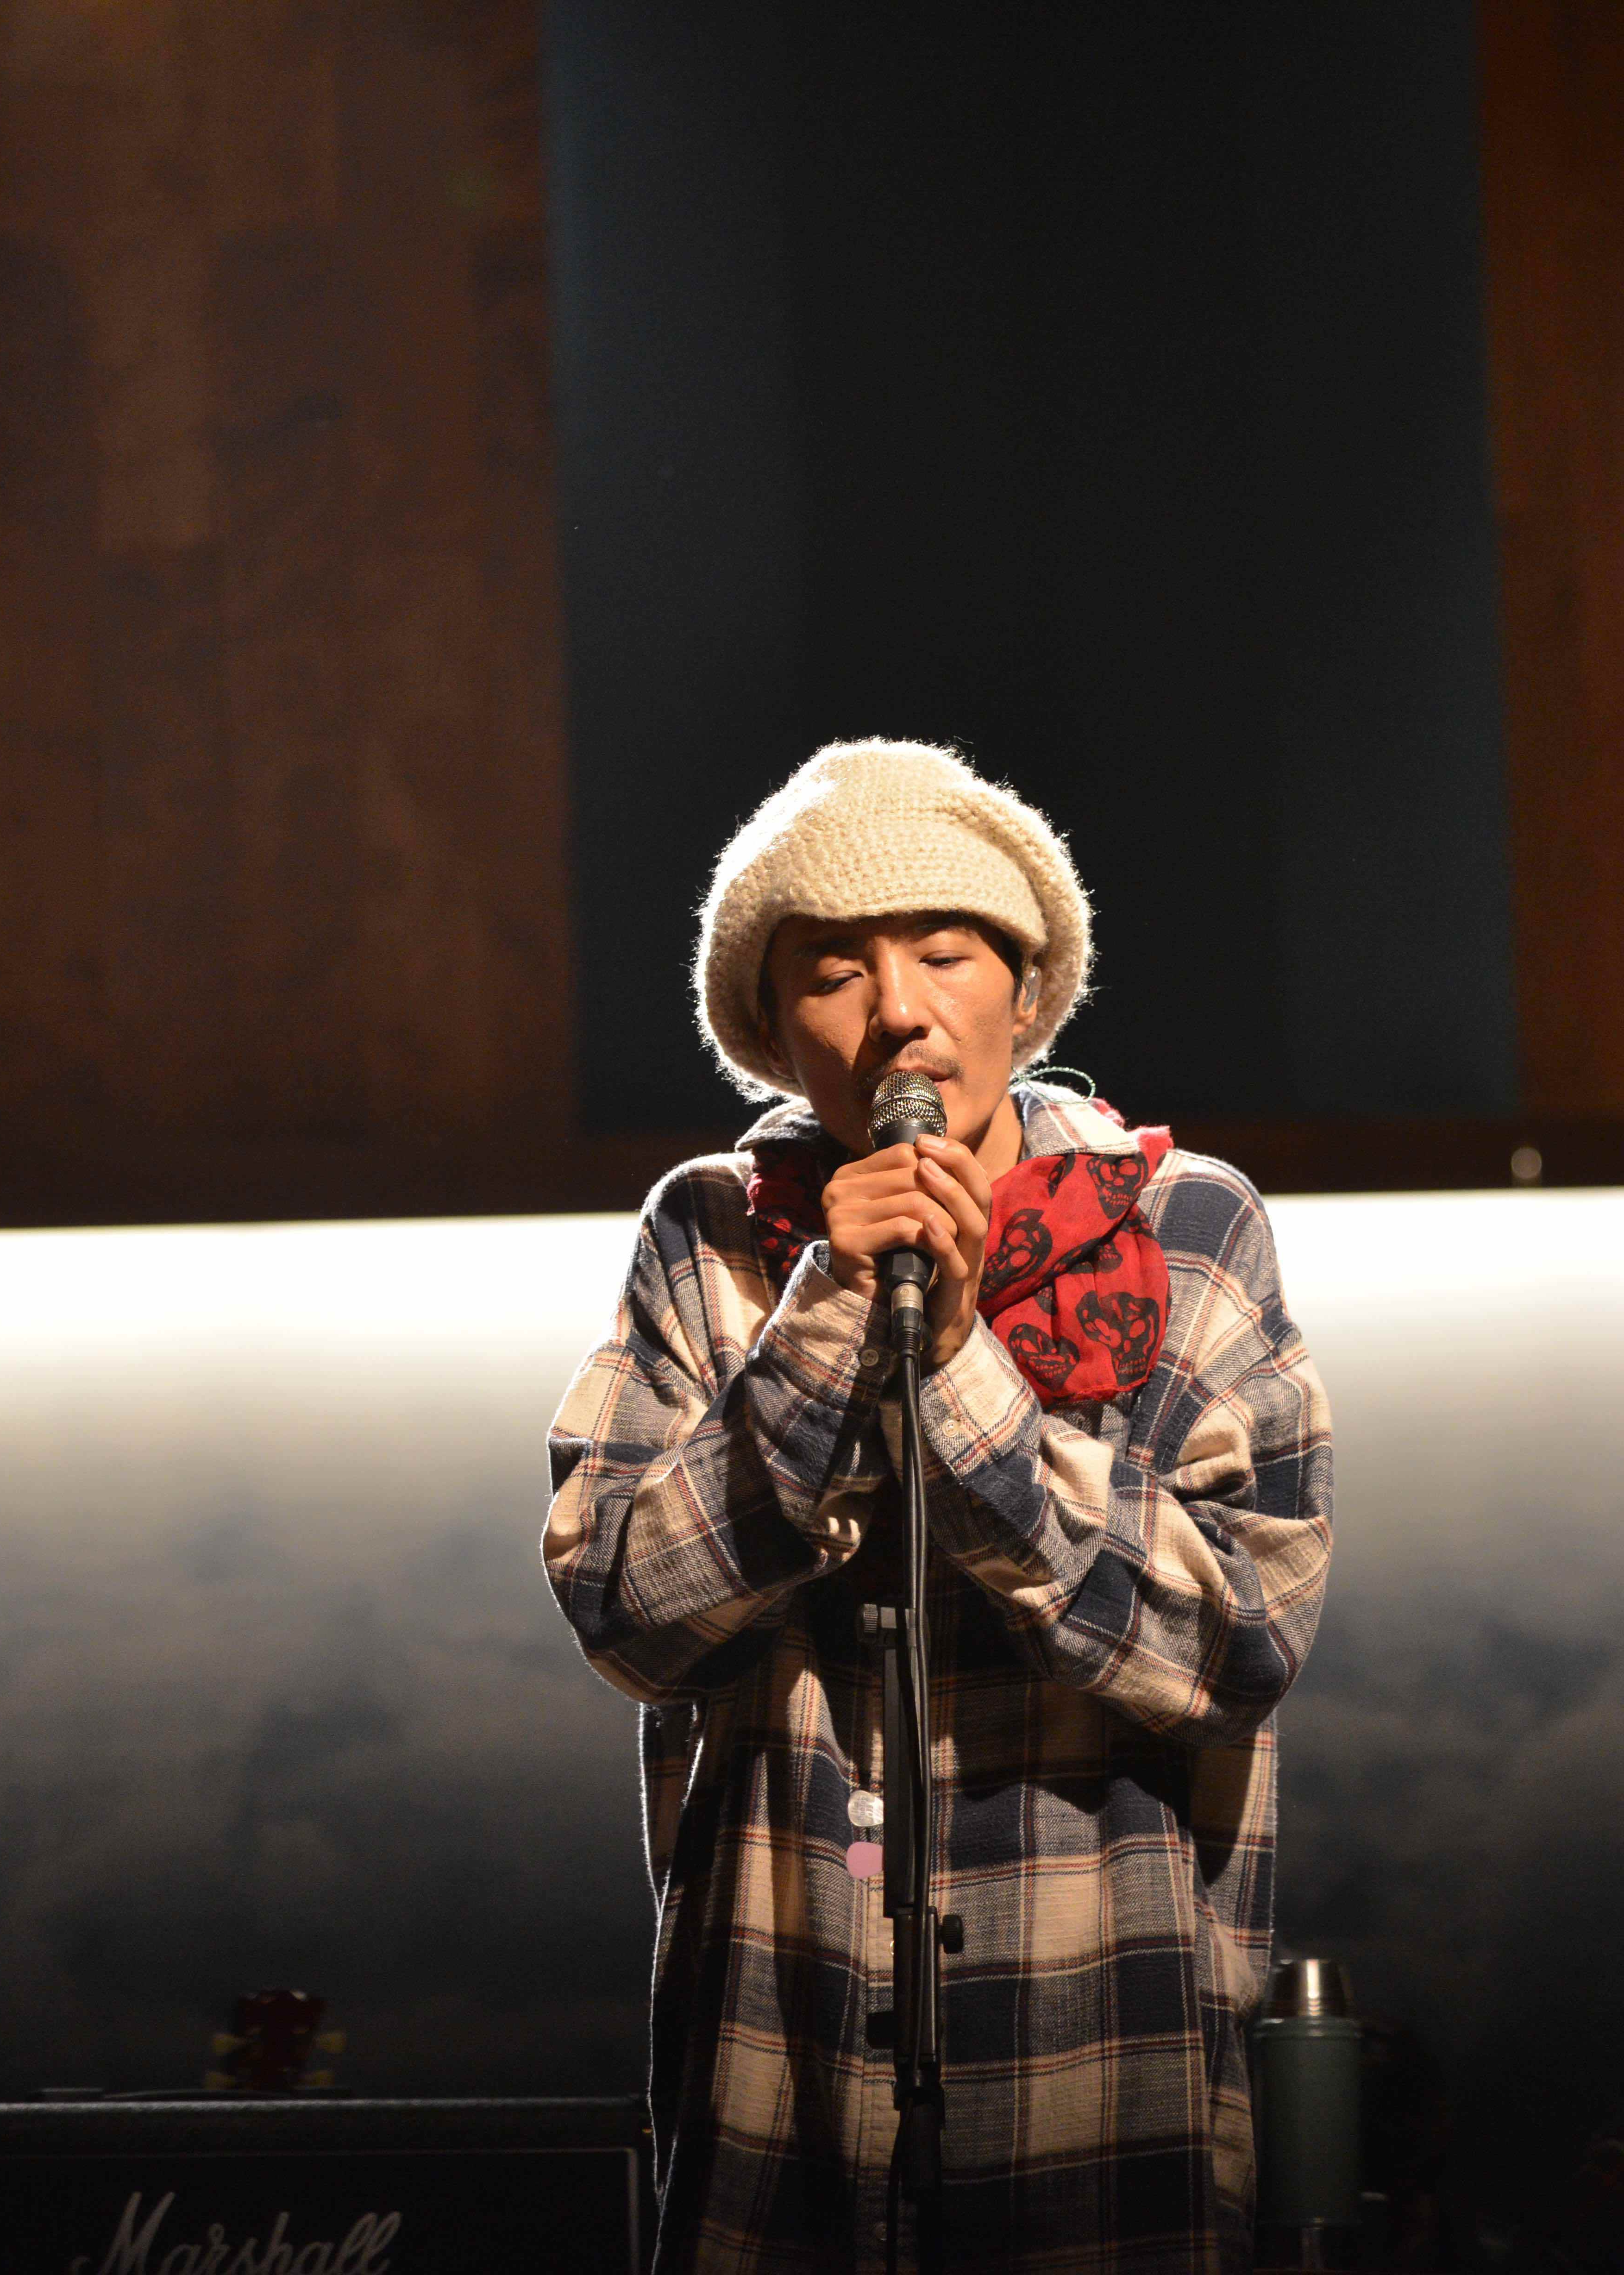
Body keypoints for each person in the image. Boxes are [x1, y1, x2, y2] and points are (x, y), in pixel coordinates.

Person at [543, 739, 1334, 2272]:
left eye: (946, 954)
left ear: (1026, 994)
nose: (898, 1011)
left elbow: (1238, 1644)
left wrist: (960, 1370)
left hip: (1098, 2059)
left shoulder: (1186, 1226)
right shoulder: (711, 1237)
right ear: (775, 1032)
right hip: (782, 2063)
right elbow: (629, 1612)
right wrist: (829, 1320)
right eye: (835, 973)